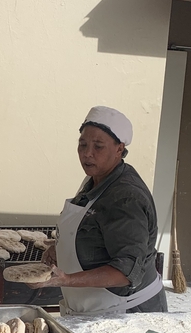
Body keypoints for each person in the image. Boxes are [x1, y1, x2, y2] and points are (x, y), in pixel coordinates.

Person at [27, 105, 167, 315]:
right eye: (82, 144)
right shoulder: (96, 180)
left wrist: (66, 280)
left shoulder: (126, 197)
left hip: (126, 313)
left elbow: (126, 271)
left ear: (119, 148)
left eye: (98, 146)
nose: (87, 153)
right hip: (95, 308)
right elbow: (93, 232)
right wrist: (62, 249)